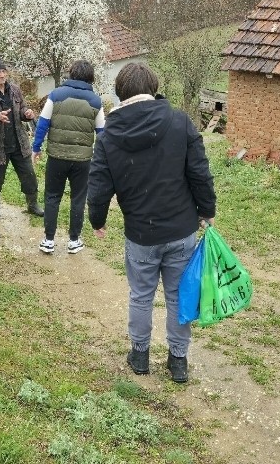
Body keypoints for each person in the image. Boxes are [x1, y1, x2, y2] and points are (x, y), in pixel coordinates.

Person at [87, 63, 216, 383]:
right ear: (153, 88)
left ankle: (140, 355)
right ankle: (178, 360)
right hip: (181, 229)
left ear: (120, 92)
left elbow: (99, 184)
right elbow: (199, 172)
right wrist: (207, 210)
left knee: (141, 296)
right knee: (178, 295)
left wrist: (97, 219)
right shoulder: (179, 122)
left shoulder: (109, 135)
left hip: (141, 233)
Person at [31, 60, 105, 255]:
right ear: (91, 77)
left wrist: (36, 148)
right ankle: (74, 240)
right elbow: (102, 133)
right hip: (83, 161)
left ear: (71, 74)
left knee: (52, 196)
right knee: (78, 199)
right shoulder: (96, 101)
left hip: (57, 157)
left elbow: (42, 123)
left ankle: (48, 240)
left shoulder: (55, 95)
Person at [0, 57, 44, 222]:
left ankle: (32, 205)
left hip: (19, 143)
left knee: (29, 176)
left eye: (4, 71)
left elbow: (22, 108)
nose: (2, 75)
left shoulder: (15, 89)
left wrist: (26, 113)